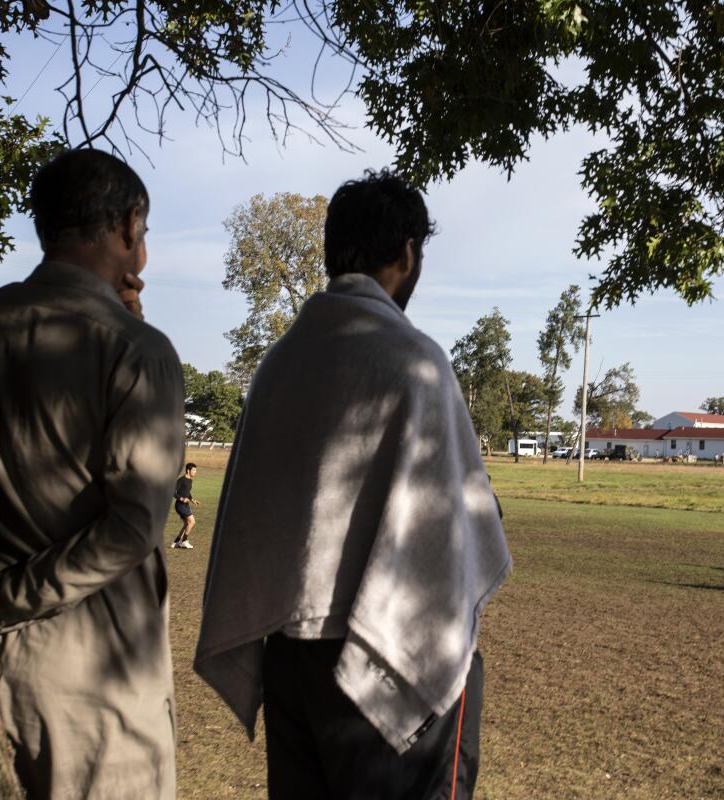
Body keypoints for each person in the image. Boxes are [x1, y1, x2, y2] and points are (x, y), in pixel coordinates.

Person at [195, 170, 511, 800]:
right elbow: (465, 519)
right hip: (387, 657)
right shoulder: (415, 361)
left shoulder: (280, 363)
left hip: (290, 657)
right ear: (407, 252)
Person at [0, 150, 184, 797]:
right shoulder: (137, 351)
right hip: (98, 680)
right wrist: (10, 600)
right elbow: (134, 526)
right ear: (127, 229)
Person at [171, 462, 200, 548]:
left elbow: (187, 492)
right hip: (180, 505)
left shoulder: (190, 480)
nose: (195, 472)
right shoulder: (181, 480)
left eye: (195, 470)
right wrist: (181, 498)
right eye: (194, 470)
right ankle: (184, 541)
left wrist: (192, 499)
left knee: (187, 524)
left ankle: (176, 542)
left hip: (186, 505)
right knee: (192, 522)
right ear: (188, 470)